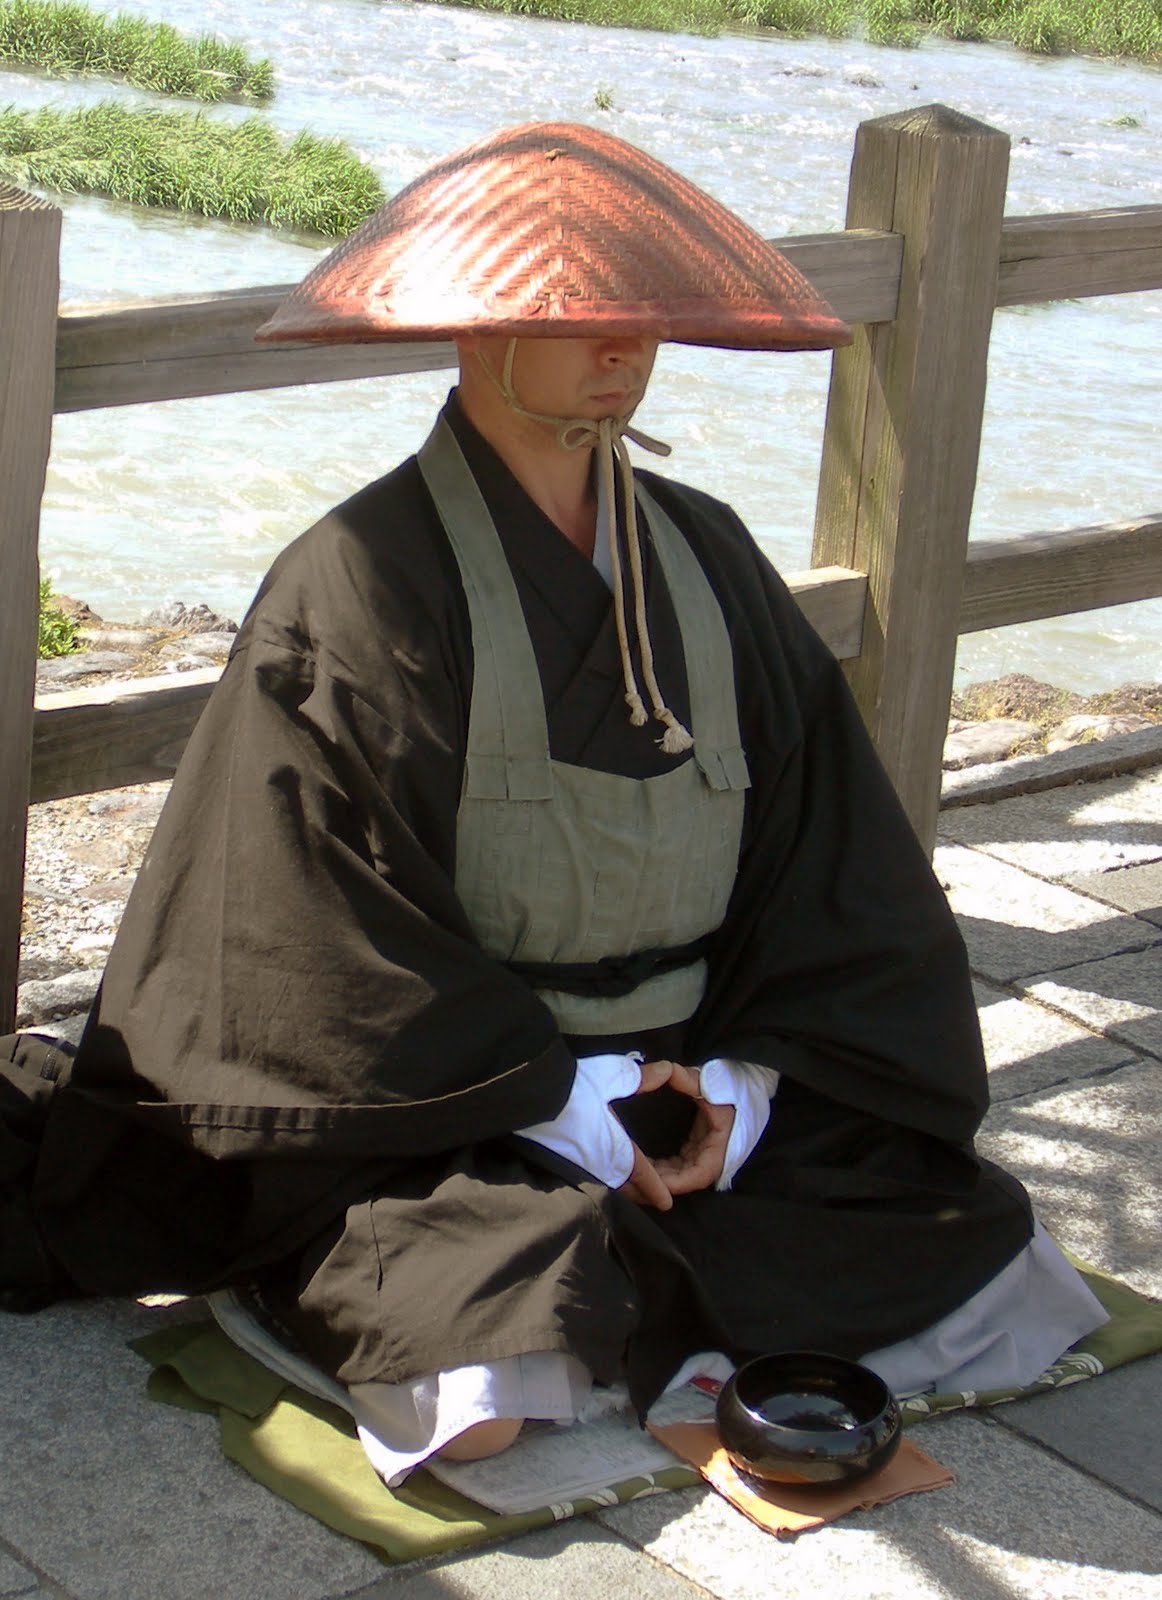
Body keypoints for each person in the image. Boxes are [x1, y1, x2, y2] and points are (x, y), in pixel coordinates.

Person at [1, 122, 1105, 1481]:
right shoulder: (354, 580)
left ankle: (693, 1204)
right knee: (488, 1360)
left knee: (984, 1256)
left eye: (643, 313)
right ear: (470, 330)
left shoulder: (705, 551)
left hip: (688, 1066)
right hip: (450, 1102)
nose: (621, 344)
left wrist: (738, 1093)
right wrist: (563, 1100)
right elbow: (305, 931)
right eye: (578, 312)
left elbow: (834, 868)